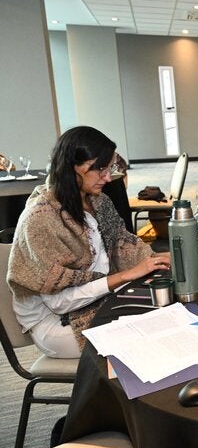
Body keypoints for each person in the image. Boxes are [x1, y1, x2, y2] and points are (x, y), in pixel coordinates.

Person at [7, 126, 170, 358]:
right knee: (145, 336)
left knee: (164, 311)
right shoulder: (41, 219)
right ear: (72, 167)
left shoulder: (98, 201)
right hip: (55, 322)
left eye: (110, 168)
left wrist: (161, 258)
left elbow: (124, 243)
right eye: (100, 169)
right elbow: (59, 302)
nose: (108, 177)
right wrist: (125, 276)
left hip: (97, 296)